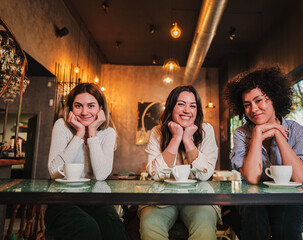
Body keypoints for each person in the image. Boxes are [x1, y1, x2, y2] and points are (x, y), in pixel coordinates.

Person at [225, 65, 303, 240]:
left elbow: (299, 178)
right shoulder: (241, 134)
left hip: (290, 199)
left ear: (273, 98)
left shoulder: (298, 131)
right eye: (247, 104)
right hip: (254, 200)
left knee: (286, 227)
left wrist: (278, 134)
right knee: (254, 222)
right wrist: (258, 135)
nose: (253, 109)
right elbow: (252, 177)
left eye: (258, 100)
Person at [45, 83, 127, 240]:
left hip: (96, 202)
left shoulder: (108, 133)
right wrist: (79, 134)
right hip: (62, 203)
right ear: (70, 108)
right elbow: (54, 172)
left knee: (114, 229)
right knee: (87, 228)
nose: (84, 112)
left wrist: (92, 134)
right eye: (78, 106)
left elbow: (102, 174)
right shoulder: (61, 126)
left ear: (100, 108)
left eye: (91, 105)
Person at [139, 85, 220, 240]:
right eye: (181, 104)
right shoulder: (157, 132)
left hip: (198, 200)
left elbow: (205, 174)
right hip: (161, 200)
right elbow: (156, 174)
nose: (187, 110)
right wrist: (176, 138)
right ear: (171, 107)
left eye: (193, 106)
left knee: (204, 227)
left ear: (197, 111)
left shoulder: (206, 129)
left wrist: (188, 140)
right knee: (150, 225)